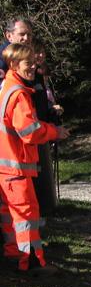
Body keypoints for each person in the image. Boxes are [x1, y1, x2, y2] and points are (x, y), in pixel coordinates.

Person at [0, 43, 69, 271]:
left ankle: (14, 255)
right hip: (16, 167)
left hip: (7, 166)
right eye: (27, 63)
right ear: (14, 65)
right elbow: (29, 131)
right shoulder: (19, 94)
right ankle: (31, 263)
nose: (32, 68)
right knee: (26, 217)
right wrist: (54, 131)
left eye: (33, 62)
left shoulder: (7, 87)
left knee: (12, 217)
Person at [30, 38, 62, 217]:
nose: (41, 55)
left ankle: (45, 208)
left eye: (43, 52)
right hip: (36, 130)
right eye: (38, 52)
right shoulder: (30, 77)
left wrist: (51, 111)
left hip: (43, 126)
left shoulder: (40, 77)